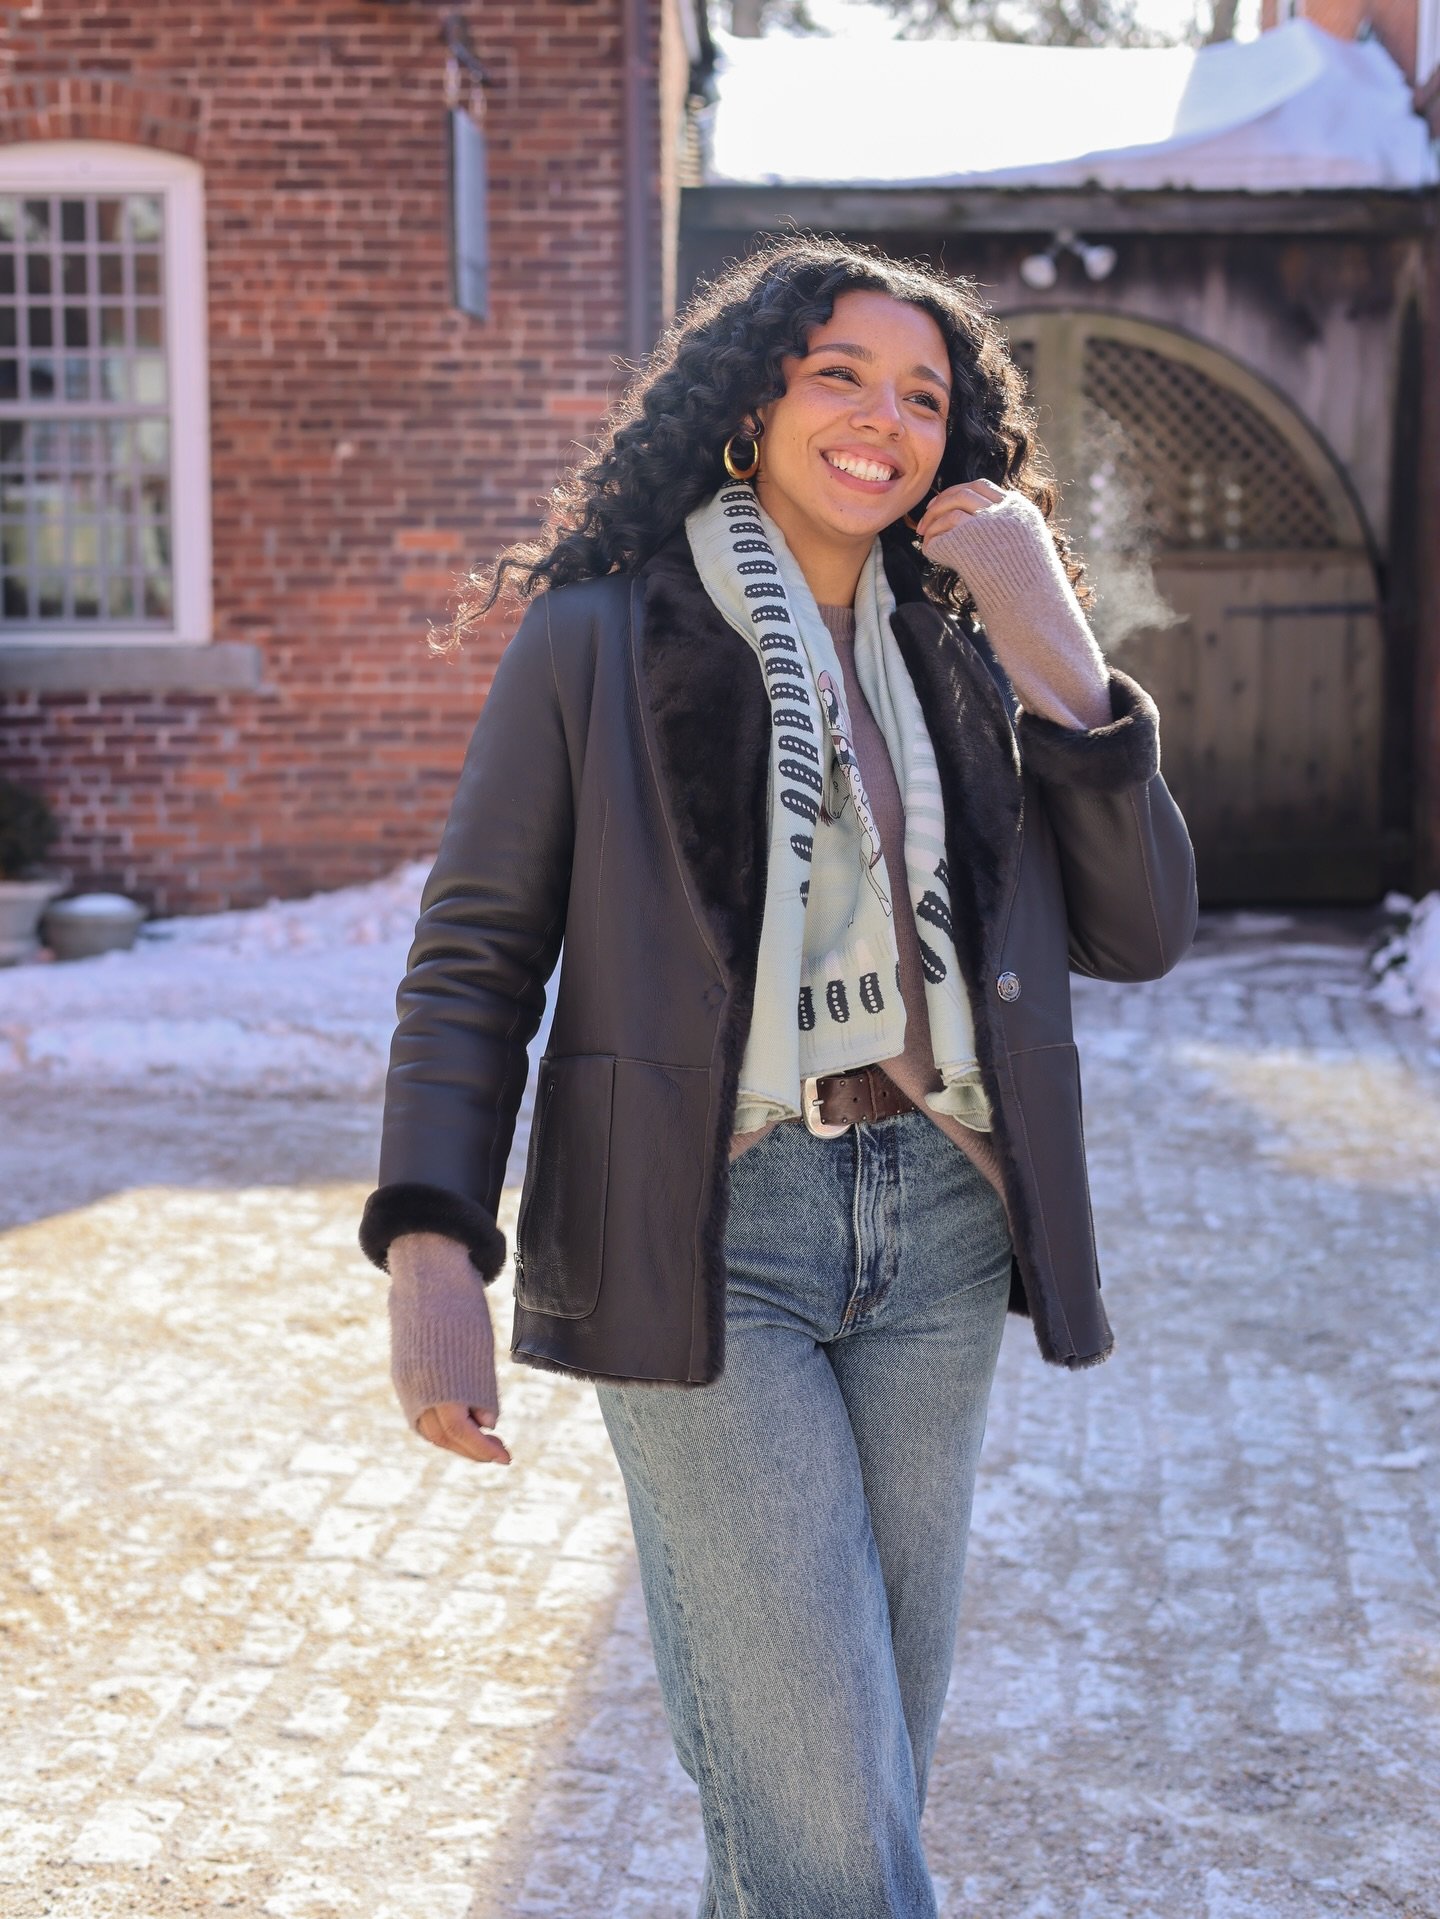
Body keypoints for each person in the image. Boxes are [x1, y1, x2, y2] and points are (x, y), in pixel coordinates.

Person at [358, 235, 1198, 1919]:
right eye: (841, 374)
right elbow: (475, 955)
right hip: (706, 1230)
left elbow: (1141, 929)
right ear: (754, 402)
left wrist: (1059, 650)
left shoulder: (973, 647)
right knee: (825, 1812)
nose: (883, 416)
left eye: (924, 394)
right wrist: (433, 1245)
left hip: (942, 1242)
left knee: (854, 1777)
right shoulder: (598, 640)